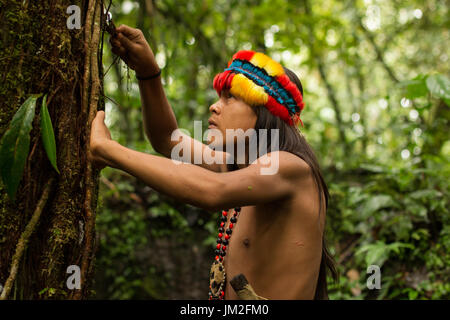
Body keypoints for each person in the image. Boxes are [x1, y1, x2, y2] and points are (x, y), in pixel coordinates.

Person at [88, 24, 337, 299]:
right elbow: (167, 140)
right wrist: (148, 72)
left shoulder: (289, 167)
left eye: (230, 97)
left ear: (265, 111)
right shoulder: (237, 165)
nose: (215, 106)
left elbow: (213, 191)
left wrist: (108, 151)